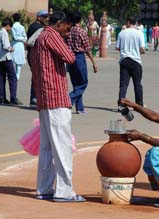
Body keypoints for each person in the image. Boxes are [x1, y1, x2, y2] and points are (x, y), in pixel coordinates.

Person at [30, 10, 86, 202]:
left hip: (45, 98)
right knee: (62, 146)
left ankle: (44, 188)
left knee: (47, 148)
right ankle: (64, 191)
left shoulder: (39, 37)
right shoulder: (51, 35)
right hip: (56, 97)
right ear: (60, 23)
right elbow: (70, 57)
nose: (67, 33)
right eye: (67, 28)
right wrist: (68, 45)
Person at [66, 10, 98, 114]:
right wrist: (94, 62)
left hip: (70, 57)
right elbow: (87, 49)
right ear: (80, 20)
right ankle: (68, 100)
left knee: (76, 83)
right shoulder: (81, 32)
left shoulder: (68, 31)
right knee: (83, 82)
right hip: (79, 57)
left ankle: (79, 108)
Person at [116, 16, 145, 109]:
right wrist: (139, 51)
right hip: (135, 61)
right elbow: (142, 48)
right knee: (137, 84)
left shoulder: (122, 33)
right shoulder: (139, 33)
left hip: (124, 60)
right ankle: (139, 104)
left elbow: (117, 48)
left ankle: (121, 104)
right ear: (135, 23)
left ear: (128, 22)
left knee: (123, 84)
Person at [0, 18, 22, 105]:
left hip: (0, 58)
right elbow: (6, 45)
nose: (10, 29)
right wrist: (11, 48)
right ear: (7, 26)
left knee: (2, 78)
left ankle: (1, 98)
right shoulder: (4, 33)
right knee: (13, 78)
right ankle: (13, 97)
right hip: (6, 58)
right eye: (10, 27)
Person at [27, 10, 49, 108]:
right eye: (44, 17)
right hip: (36, 54)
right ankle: (36, 99)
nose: (46, 19)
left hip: (31, 54)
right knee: (39, 77)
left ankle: (34, 99)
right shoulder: (39, 28)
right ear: (39, 17)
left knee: (36, 77)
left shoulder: (32, 26)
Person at [11, 13, 27, 80]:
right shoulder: (22, 27)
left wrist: (20, 38)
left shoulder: (13, 27)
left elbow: (15, 37)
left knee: (13, 60)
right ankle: (17, 75)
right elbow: (25, 37)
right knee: (19, 61)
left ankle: (15, 75)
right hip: (20, 45)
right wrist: (22, 39)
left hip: (15, 44)